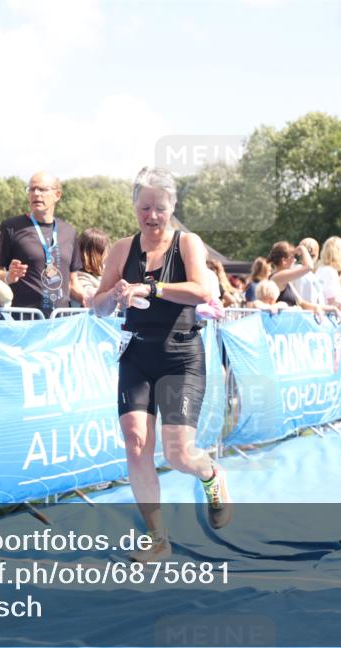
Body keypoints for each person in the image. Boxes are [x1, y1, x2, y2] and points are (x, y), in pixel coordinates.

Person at [91, 167, 231, 562]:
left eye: (160, 208)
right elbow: (97, 305)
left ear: (172, 208)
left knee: (178, 454)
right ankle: (157, 539)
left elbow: (202, 290)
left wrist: (150, 287)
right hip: (136, 352)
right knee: (135, 444)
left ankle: (211, 475)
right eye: (144, 207)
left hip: (181, 354)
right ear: (135, 206)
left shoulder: (187, 244)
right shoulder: (122, 249)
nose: (152, 216)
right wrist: (114, 295)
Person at [0, 171, 83, 316]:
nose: (36, 194)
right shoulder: (11, 227)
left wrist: (87, 298)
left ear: (57, 195)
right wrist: (7, 276)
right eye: (31, 189)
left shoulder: (69, 232)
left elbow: (73, 282)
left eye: (42, 189)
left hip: (62, 323)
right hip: (25, 322)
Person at [75, 227, 109, 308]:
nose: (107, 252)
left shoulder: (103, 273)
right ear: (97, 254)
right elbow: (97, 300)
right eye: (106, 248)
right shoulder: (80, 278)